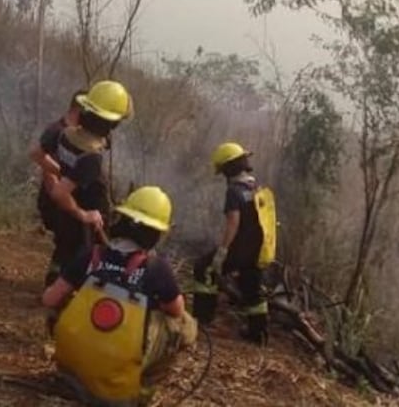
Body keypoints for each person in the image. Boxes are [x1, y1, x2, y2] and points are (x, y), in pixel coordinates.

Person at [43, 185, 197, 406]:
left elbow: (49, 299)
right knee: (184, 324)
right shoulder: (156, 268)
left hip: (70, 375)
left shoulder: (91, 254)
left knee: (63, 299)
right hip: (116, 395)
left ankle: (73, 366)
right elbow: (177, 311)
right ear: (156, 233)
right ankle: (142, 390)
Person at [38, 80, 132, 286]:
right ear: (111, 124)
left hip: (63, 213)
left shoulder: (65, 134)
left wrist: (62, 174)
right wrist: (85, 215)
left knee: (63, 250)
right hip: (79, 217)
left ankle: (53, 284)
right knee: (81, 260)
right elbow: (60, 193)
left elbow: (40, 156)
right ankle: (64, 298)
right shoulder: (91, 157)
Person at [193, 142, 276, 345]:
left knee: (204, 268)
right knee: (252, 287)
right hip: (256, 250)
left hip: (238, 249)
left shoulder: (234, 191)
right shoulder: (257, 188)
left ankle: (203, 319)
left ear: (229, 169)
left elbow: (233, 222)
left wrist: (222, 252)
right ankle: (259, 334)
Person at [30, 89, 85, 281]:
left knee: (74, 241)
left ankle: (64, 280)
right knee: (68, 238)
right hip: (55, 200)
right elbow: (39, 157)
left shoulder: (78, 135)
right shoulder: (58, 131)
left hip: (65, 198)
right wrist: (60, 177)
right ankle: (56, 282)